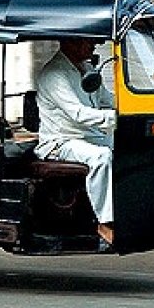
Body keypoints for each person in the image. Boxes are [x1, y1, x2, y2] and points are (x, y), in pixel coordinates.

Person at [35, 39, 116, 251]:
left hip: (88, 136)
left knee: (131, 148)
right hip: (61, 142)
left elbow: (107, 99)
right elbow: (78, 114)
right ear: (71, 43)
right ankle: (104, 222)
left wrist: (138, 104)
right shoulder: (54, 75)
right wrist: (116, 118)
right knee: (101, 157)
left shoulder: (87, 69)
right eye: (88, 42)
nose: (94, 46)